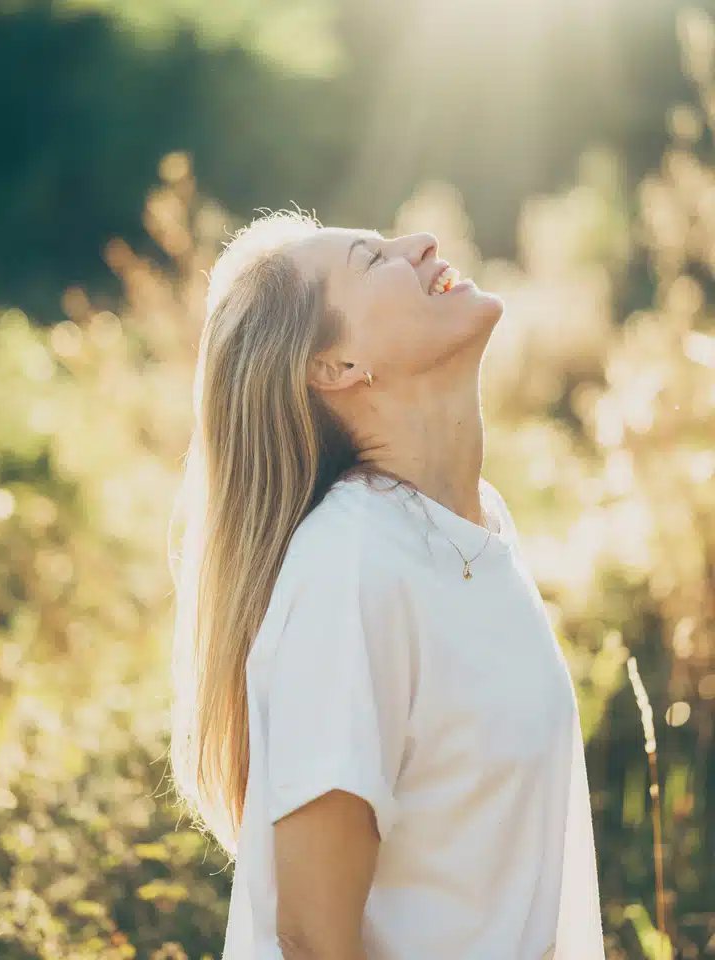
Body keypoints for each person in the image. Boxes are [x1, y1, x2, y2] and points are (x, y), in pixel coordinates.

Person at [168, 210, 606, 960]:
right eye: (373, 261)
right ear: (335, 366)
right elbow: (313, 939)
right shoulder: (350, 564)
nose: (423, 243)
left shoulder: (477, 527)